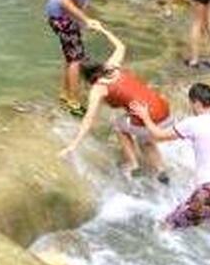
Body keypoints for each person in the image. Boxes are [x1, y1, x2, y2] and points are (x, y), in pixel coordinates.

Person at [59, 23, 171, 182]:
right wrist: (103, 30)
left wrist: (73, 145)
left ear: (86, 76)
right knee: (145, 140)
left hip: (149, 118)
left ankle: (133, 164)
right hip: (165, 111)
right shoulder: (113, 66)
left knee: (119, 126)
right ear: (99, 65)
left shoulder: (99, 88)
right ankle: (161, 172)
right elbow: (120, 46)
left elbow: (88, 120)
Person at [131, 82, 210, 231]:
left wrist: (145, 117)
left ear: (196, 102)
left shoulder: (193, 123)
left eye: (191, 103)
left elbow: (158, 135)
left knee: (165, 227)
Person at [44, 0, 122, 116]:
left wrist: (81, 20)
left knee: (71, 56)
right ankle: (73, 102)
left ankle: (65, 94)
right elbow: (64, 1)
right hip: (61, 17)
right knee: (76, 60)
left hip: (66, 16)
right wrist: (86, 20)